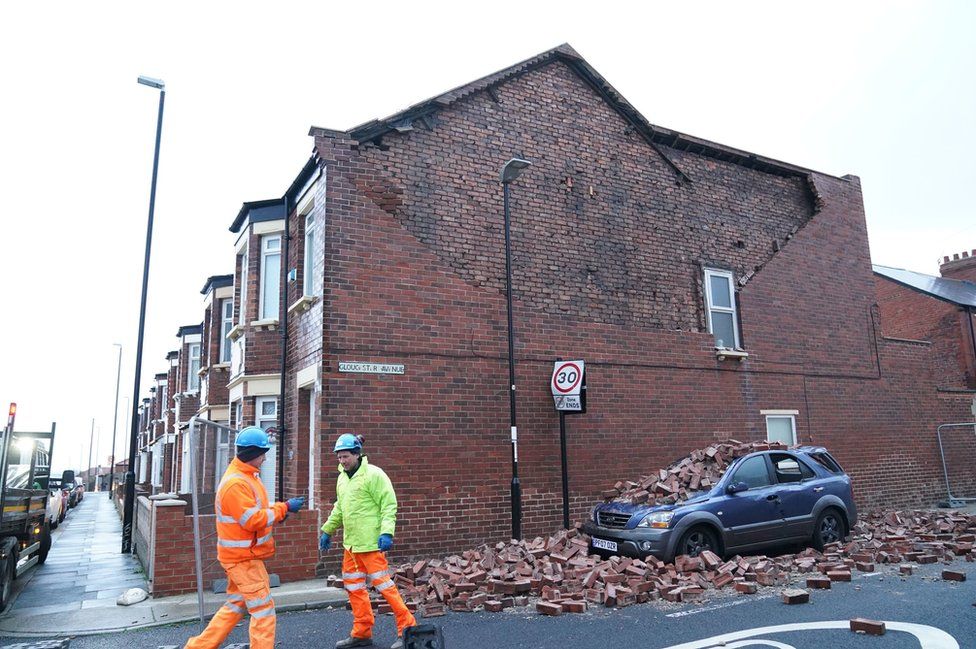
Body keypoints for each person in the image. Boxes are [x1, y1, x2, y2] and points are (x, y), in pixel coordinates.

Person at [185, 426, 306, 649]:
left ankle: (199, 647)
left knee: (235, 605)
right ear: (253, 454)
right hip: (243, 559)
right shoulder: (236, 483)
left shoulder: (246, 477)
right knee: (263, 609)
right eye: (263, 454)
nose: (265, 458)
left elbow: (257, 510)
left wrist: (281, 510)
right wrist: (284, 508)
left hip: (243, 556)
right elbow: (251, 520)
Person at [320, 434, 416, 649]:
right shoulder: (343, 478)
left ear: (357, 454)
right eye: (339, 457)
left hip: (371, 544)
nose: (342, 461)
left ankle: (408, 629)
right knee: (354, 590)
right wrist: (327, 530)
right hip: (351, 546)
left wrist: (387, 533)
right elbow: (340, 508)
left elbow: (388, 504)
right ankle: (361, 633)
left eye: (345, 456)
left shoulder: (374, 475)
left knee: (385, 588)